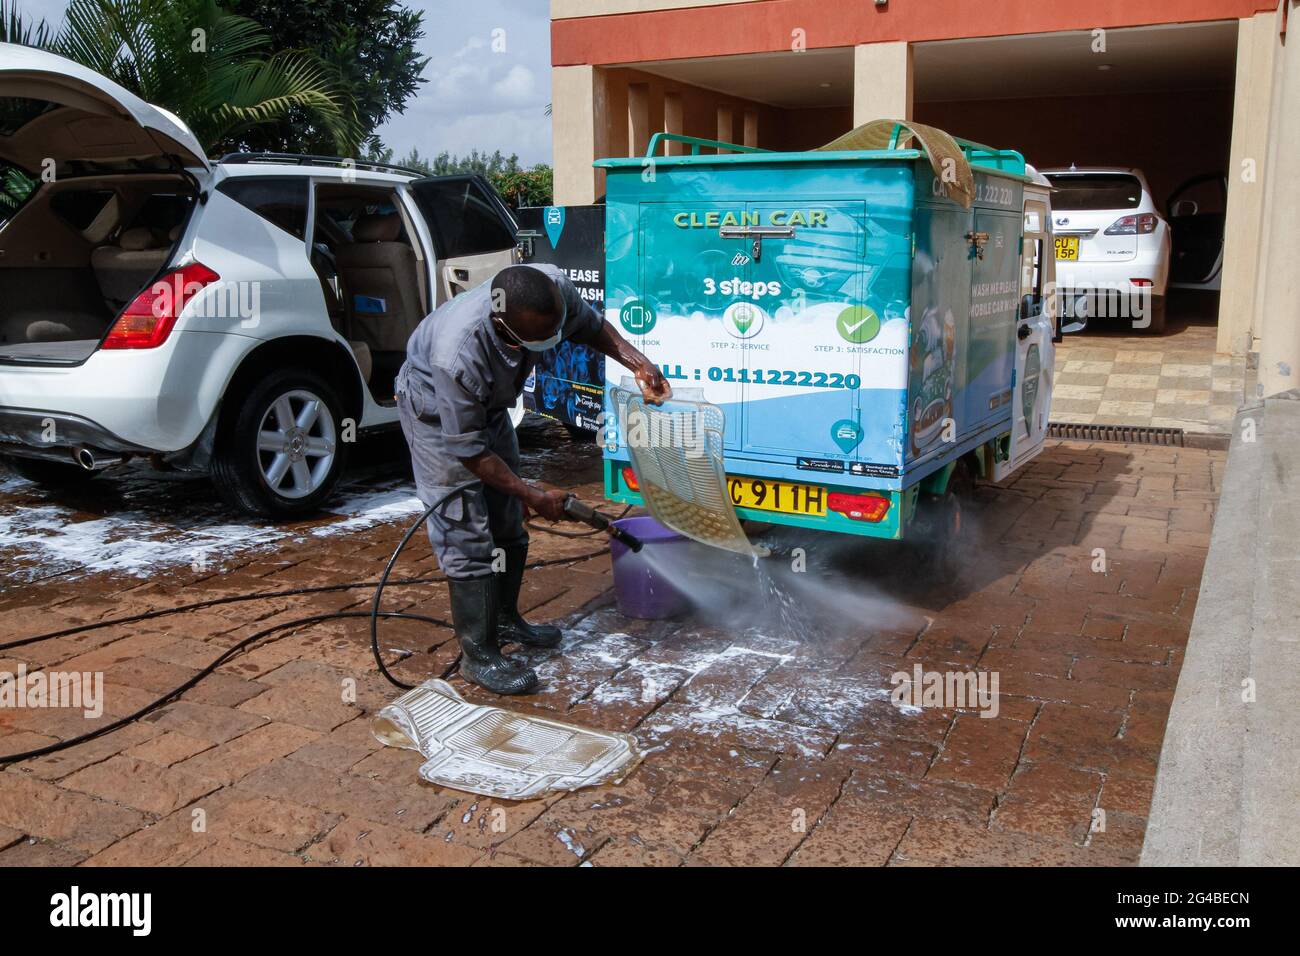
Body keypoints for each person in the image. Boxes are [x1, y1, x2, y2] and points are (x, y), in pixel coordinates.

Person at [396, 264, 670, 695]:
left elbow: (592, 325)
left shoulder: (551, 288)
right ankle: (479, 655)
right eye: (541, 338)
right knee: (464, 527)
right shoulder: (457, 354)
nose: (553, 340)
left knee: (507, 517)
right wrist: (534, 494)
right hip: (438, 415)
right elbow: (468, 450)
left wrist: (638, 362)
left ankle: (504, 618)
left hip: (489, 408)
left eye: (555, 330)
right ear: (504, 327)